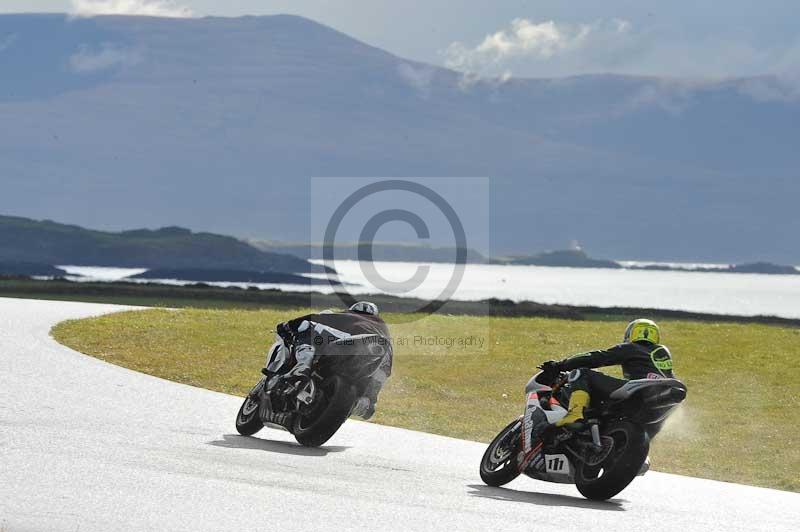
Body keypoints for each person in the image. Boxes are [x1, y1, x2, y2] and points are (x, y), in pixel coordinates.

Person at [541, 318, 674, 428]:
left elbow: (596, 357)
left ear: (631, 334)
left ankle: (575, 414)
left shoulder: (630, 348)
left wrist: (560, 365)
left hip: (641, 391)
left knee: (581, 373)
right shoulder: (663, 352)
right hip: (660, 400)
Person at [270, 301, 392, 420]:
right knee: (381, 371)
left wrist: (289, 325)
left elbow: (316, 318)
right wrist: (372, 397)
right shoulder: (382, 329)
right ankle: (365, 401)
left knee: (309, 327)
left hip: (344, 344)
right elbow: (386, 368)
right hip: (369, 357)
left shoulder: (348, 315)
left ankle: (302, 366)